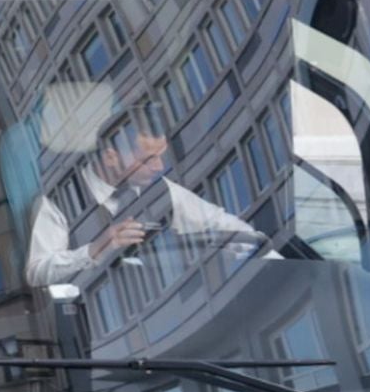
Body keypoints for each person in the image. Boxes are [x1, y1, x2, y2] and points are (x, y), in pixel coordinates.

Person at [25, 119, 269, 287]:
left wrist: (256, 247)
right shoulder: (57, 202)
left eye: (161, 157)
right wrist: (94, 249)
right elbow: (36, 273)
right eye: (149, 160)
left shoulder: (159, 189)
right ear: (111, 157)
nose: (159, 167)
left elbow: (223, 224)